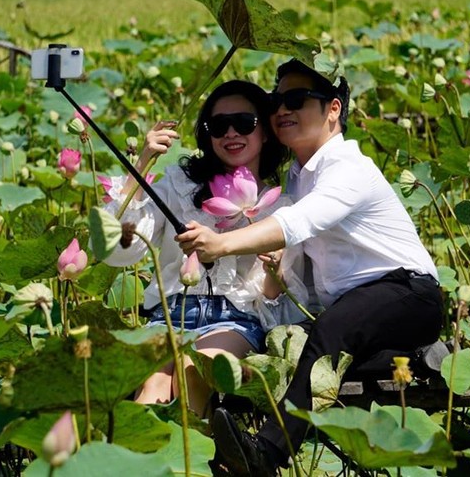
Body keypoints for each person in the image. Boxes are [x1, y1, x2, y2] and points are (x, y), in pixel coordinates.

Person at [176, 60, 444, 476]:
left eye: (297, 100)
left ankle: (267, 454)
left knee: (329, 332)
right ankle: (410, 356)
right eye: (276, 101)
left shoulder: (348, 169)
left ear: (333, 109)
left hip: (407, 293)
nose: (282, 109)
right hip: (359, 310)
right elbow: (303, 278)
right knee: (309, 348)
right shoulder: (300, 177)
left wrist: (222, 244)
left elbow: (299, 224)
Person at [103, 80, 309, 418]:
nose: (231, 132)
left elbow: (274, 305)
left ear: (266, 132)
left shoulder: (280, 210)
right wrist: (142, 164)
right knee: (153, 386)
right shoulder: (179, 187)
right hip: (167, 316)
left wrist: (274, 271)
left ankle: (190, 464)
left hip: (234, 321)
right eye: (218, 125)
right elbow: (118, 251)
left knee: (193, 372)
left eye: (244, 123)